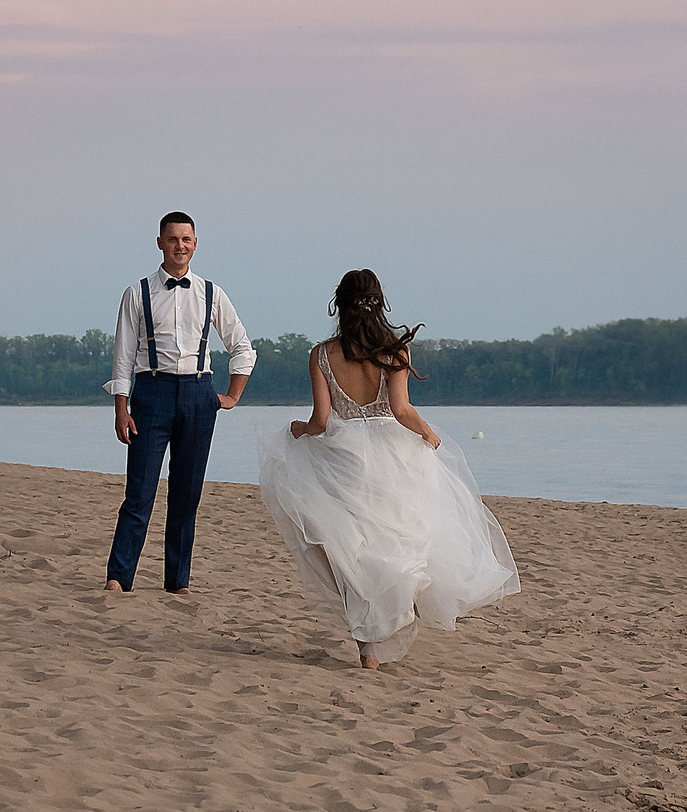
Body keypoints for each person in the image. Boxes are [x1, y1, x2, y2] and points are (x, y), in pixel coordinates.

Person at [257, 269, 520, 668]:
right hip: (393, 455)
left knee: (350, 547)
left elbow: (322, 422)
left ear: (338, 304)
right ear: (379, 303)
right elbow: (400, 410)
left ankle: (367, 648)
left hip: (344, 458)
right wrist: (428, 434)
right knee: (403, 536)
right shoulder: (395, 351)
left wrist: (297, 430)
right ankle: (405, 593)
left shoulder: (322, 354)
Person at [104, 211, 256, 594]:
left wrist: (232, 396)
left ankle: (178, 582)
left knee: (187, 495)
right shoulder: (136, 293)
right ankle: (119, 577)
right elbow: (122, 357)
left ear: (195, 244)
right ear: (160, 243)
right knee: (139, 493)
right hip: (150, 394)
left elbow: (242, 347)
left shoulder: (211, 293)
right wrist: (122, 408)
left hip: (198, 395)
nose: (180, 246)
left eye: (186, 240)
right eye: (173, 239)